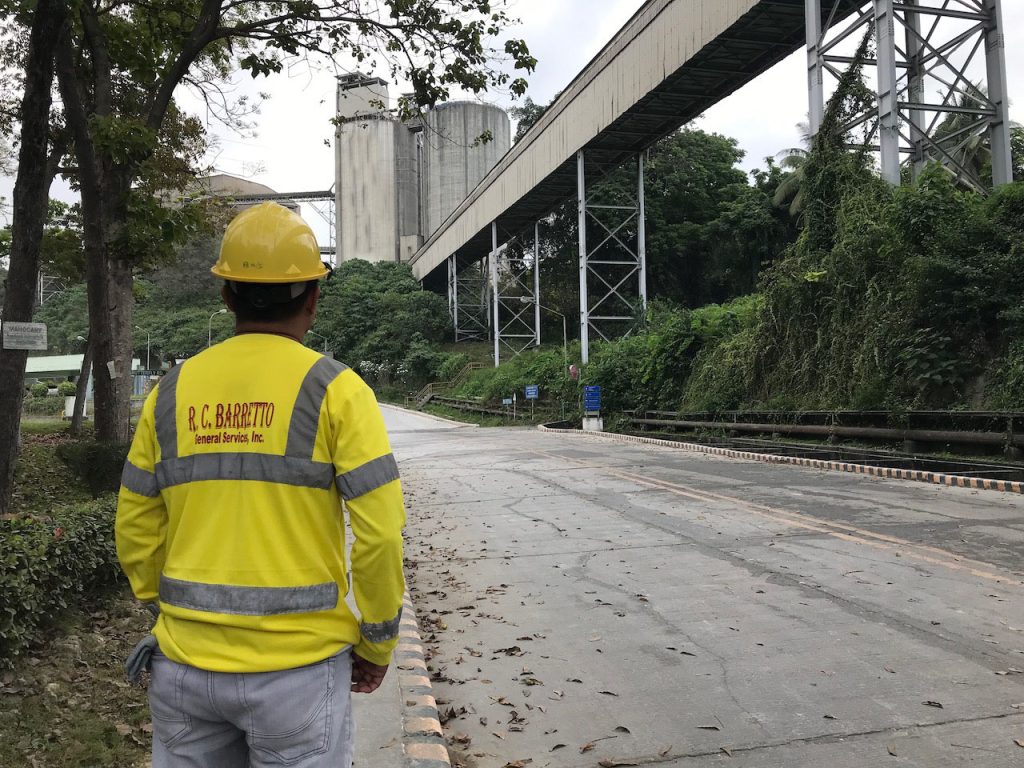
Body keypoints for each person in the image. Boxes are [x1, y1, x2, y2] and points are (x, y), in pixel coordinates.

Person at [115, 202, 406, 768]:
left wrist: (165, 614)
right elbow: (380, 537)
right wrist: (376, 642)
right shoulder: (338, 391)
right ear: (314, 299)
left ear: (226, 296)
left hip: (184, 672)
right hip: (298, 674)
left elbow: (135, 524)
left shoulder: (169, 392)